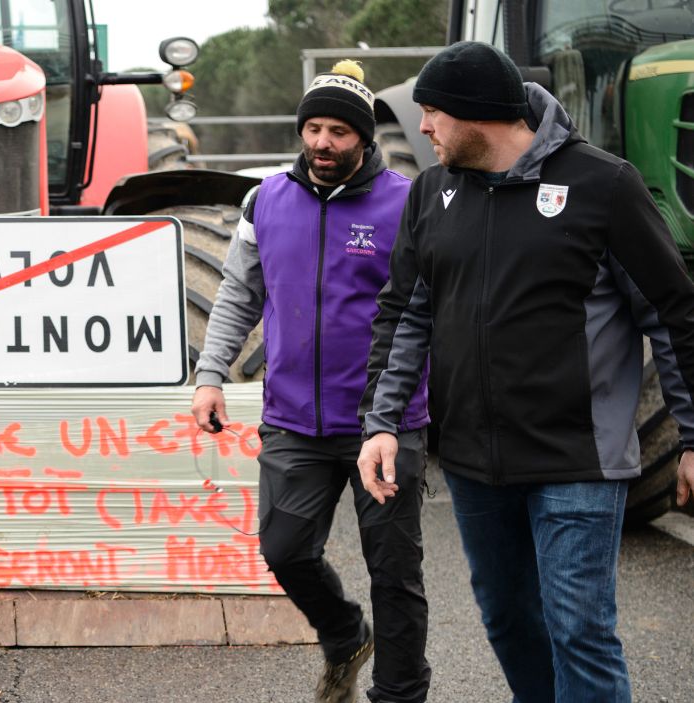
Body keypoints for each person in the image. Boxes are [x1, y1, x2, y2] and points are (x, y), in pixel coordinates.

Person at [357, 41, 694, 702]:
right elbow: (404, 315)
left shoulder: (604, 185)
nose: (422, 127)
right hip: (475, 465)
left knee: (579, 631)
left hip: (579, 459)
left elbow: (673, 312)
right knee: (509, 620)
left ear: (477, 113)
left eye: (432, 113)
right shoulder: (431, 193)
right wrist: (383, 422)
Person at [191, 60, 431, 703]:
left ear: (364, 138)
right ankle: (344, 633)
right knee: (285, 549)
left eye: (339, 132)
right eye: (314, 128)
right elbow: (240, 294)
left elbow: (424, 308)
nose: (323, 143)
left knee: (395, 575)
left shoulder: (405, 203)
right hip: (294, 418)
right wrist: (210, 374)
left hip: (383, 421)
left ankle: (399, 695)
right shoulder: (264, 199)